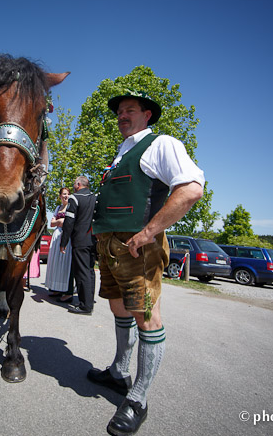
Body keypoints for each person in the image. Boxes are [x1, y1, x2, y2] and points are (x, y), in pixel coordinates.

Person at [88, 90, 204, 435]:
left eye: (130, 110)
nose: (122, 116)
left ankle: (138, 399)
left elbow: (191, 189)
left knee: (146, 316)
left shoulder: (161, 143)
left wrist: (149, 231)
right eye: (120, 111)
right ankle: (119, 373)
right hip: (111, 245)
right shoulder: (121, 152)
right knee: (118, 308)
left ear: (147, 115)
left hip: (139, 246)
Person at [60, 176, 97, 315]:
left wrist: (63, 242)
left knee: (81, 272)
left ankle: (84, 306)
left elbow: (69, 222)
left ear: (79, 184)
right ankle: (89, 302)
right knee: (90, 271)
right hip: (92, 239)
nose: (73, 186)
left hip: (80, 240)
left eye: (74, 183)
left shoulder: (74, 198)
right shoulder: (95, 197)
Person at [44, 187, 73, 300]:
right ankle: (56, 288)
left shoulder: (70, 208)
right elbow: (51, 223)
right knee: (55, 263)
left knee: (64, 263)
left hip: (66, 237)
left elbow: (68, 223)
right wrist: (60, 221)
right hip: (56, 236)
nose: (66, 196)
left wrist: (59, 222)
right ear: (60, 196)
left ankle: (66, 290)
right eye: (64, 194)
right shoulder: (58, 208)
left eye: (67, 194)